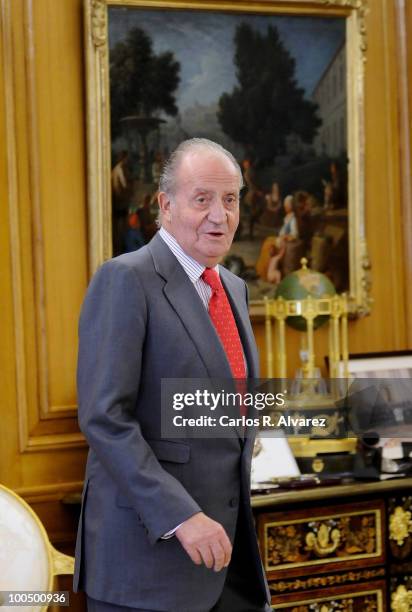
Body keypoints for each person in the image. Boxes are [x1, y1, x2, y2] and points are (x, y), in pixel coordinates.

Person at [74, 138, 271, 612]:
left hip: (230, 566)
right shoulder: (126, 279)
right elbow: (105, 418)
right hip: (148, 568)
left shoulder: (234, 288)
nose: (220, 216)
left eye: (230, 200)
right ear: (165, 205)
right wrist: (182, 516)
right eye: (202, 199)